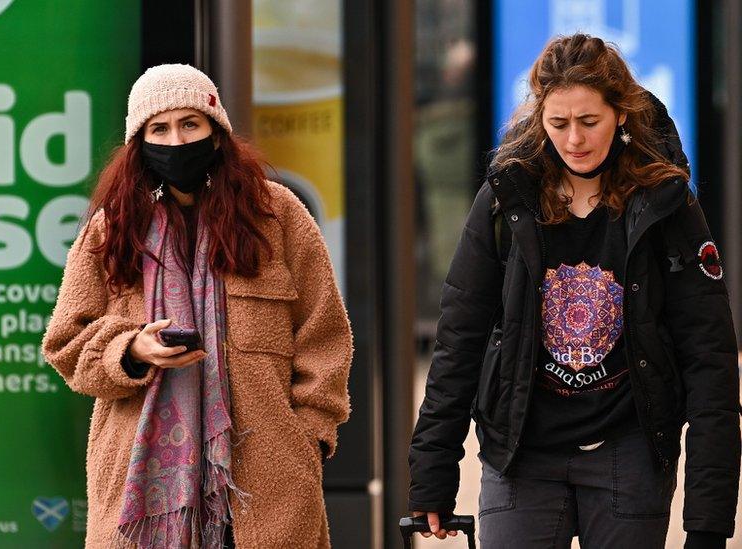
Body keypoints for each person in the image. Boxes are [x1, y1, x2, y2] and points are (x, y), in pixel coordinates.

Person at [407, 34, 740, 548]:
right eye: (558, 124)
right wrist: (432, 474)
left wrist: (708, 522)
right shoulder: (506, 199)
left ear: (622, 114)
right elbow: (460, 339)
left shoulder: (666, 205)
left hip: (628, 457)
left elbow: (710, 360)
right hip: (520, 454)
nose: (574, 140)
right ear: (539, 118)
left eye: (590, 122)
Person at [41, 63, 352, 549]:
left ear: (217, 130)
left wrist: (307, 437)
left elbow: (324, 333)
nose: (176, 140)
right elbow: (65, 343)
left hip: (265, 485)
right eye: (159, 129)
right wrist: (130, 348)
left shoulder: (276, 214)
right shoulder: (112, 228)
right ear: (139, 143)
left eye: (190, 124)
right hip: (140, 492)